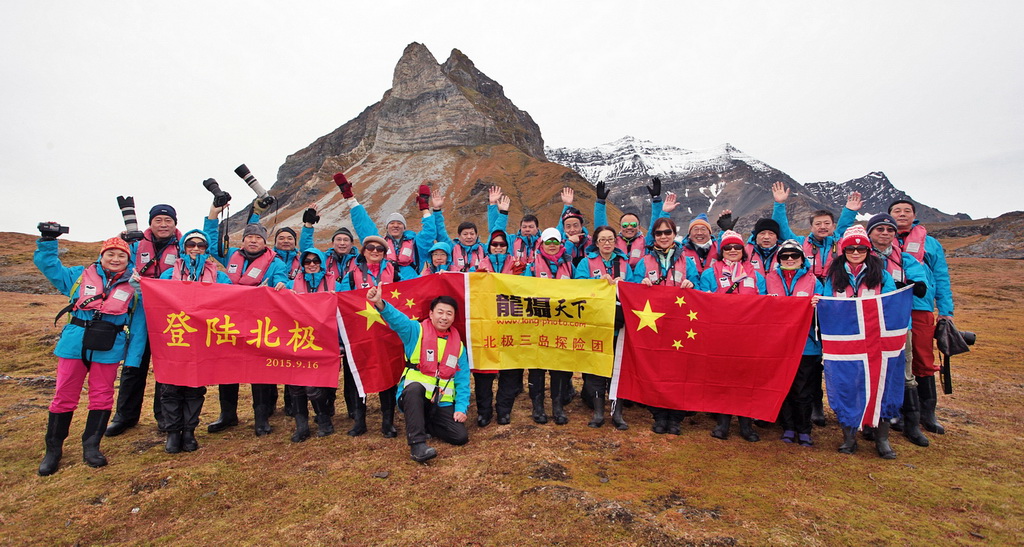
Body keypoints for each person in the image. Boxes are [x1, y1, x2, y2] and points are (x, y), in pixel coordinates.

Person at [34, 231, 147, 475]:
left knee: (102, 396)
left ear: (129, 260)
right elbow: (49, 266)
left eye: (121, 255)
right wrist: (47, 241)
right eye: (111, 254)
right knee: (64, 395)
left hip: (110, 346)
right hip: (75, 344)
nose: (115, 259)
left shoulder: (134, 287)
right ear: (102, 255)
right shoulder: (78, 275)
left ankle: (91, 446)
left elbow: (139, 327)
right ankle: (53, 450)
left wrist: (133, 359)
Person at [770, 182, 861, 427]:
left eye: (826, 224)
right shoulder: (800, 246)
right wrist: (779, 205)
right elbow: (783, 232)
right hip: (802, 299)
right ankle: (811, 405)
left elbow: (844, 231)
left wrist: (849, 213)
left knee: (822, 356)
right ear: (811, 227)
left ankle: (818, 402)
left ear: (833, 227)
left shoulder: (838, 244)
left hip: (830, 301)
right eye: (817, 224)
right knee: (805, 357)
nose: (822, 227)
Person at [204, 205, 290, 436]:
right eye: (249, 237)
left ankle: (261, 418)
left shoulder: (276, 263)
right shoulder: (230, 254)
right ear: (242, 241)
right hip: (229, 322)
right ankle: (228, 415)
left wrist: (282, 285)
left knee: (259, 369)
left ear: (265, 242)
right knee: (227, 367)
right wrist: (212, 215)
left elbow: (284, 282)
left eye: (257, 238)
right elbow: (210, 243)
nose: (253, 241)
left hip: (260, 323)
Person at [818, 225, 898, 459]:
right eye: (850, 248)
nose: (855, 252)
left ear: (867, 249)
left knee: (879, 383)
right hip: (845, 340)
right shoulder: (834, 276)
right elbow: (828, 302)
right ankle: (849, 437)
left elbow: (892, 301)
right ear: (843, 250)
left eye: (860, 248)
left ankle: (882, 438)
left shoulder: (880, 274)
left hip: (874, 340)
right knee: (847, 385)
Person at [366, 287, 469, 463]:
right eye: (440, 312)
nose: (444, 317)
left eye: (449, 314)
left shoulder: (458, 345)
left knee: (460, 437)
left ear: (453, 317)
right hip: (413, 397)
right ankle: (417, 445)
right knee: (414, 389)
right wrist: (379, 303)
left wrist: (461, 407)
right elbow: (397, 320)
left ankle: (425, 423)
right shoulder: (415, 331)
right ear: (431, 313)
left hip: (440, 401)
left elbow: (463, 380)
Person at [106, 204, 180, 437]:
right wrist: (120, 239)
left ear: (175, 223)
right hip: (139, 312)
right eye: (158, 220)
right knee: (133, 363)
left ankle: (164, 416)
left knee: (165, 365)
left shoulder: (183, 246)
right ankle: (125, 416)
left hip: (169, 314)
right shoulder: (135, 244)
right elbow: (116, 263)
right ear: (150, 223)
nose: (163, 224)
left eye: (168, 221)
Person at [158, 230, 232, 453]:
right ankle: (173, 432)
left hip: (202, 338)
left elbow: (234, 298)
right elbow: (153, 302)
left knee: (194, 386)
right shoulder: (167, 275)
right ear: (183, 247)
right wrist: (137, 287)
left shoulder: (219, 276)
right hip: (174, 337)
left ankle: (189, 431)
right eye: (191, 244)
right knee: (170, 387)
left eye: (201, 245)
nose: (196, 248)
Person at [888, 199, 955, 436]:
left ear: (914, 215)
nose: (902, 214)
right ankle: (898, 410)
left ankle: (928, 413)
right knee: (895, 358)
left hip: (921, 306)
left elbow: (941, 277)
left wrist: (946, 312)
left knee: (923, 358)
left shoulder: (931, 244)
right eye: (897, 211)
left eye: (907, 211)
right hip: (892, 306)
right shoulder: (882, 240)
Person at [866, 213, 931, 448]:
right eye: (879, 229)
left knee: (905, 373)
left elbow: (920, 289)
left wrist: (893, 287)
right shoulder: (859, 256)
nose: (884, 233)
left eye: (889, 230)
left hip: (899, 325)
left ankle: (911, 424)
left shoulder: (906, 260)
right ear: (870, 232)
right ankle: (870, 423)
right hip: (868, 326)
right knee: (870, 372)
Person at [631, 217, 698, 435]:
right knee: (656, 369)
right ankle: (658, 415)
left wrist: (692, 284)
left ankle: (676, 418)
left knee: (680, 371)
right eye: (659, 233)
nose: (663, 237)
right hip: (654, 324)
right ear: (654, 237)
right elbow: (632, 287)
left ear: (674, 234)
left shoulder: (687, 261)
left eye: (667, 232)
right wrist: (641, 285)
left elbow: (698, 286)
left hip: (680, 323)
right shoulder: (644, 261)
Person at [699, 230, 768, 442]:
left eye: (736, 247)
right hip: (721, 334)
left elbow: (764, 303)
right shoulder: (709, 274)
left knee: (747, 378)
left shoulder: (756, 275)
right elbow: (704, 302)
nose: (732, 251)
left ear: (743, 251)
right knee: (722, 378)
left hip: (748, 334)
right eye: (727, 247)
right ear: (721, 251)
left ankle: (746, 424)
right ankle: (723, 423)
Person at [340, 234, 400, 438]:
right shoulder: (351, 274)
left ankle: (387, 421)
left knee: (389, 373)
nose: (375, 251)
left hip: (387, 331)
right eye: (371, 248)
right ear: (363, 251)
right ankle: (359, 421)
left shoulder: (395, 271)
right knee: (358, 374)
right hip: (360, 333)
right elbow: (341, 298)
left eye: (380, 249)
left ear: (384, 253)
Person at [764, 240, 823, 447]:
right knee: (784, 387)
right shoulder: (768, 279)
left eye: (794, 255)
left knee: (802, 389)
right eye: (784, 256)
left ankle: (804, 429)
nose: (789, 259)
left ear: (801, 258)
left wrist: (818, 306)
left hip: (806, 345)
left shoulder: (814, 281)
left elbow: (826, 310)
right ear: (778, 259)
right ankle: (787, 427)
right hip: (778, 344)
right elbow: (759, 307)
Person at [277, 248, 339, 442]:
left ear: (321, 262)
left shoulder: (335, 284)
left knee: (313, 385)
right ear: (302, 264)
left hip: (324, 341)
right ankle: (301, 425)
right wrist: (278, 289)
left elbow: (346, 307)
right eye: (307, 261)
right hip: (297, 339)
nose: (312, 264)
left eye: (315, 261)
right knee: (295, 384)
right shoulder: (291, 283)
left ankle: (323, 420)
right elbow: (275, 301)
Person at [573, 225, 629, 430]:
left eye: (610, 239)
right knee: (597, 368)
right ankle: (598, 413)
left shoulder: (623, 263)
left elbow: (635, 289)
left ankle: (617, 413)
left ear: (616, 241)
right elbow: (578, 287)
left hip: (619, 326)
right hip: (595, 324)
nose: (607, 243)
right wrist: (596, 282)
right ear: (596, 243)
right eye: (602, 240)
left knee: (617, 369)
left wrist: (626, 285)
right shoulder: (585, 263)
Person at [338, 173, 437, 280]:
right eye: (392, 223)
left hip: (412, 286)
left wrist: (425, 208)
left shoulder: (416, 244)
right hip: (386, 285)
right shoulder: (379, 245)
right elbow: (363, 226)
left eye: (399, 223)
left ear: (404, 228)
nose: (395, 226)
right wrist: (350, 198)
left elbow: (429, 233)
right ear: (387, 227)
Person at [526, 228, 576, 425]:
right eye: (549, 241)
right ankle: (537, 407)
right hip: (537, 322)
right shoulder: (531, 265)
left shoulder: (570, 264)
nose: (552, 245)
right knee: (537, 367)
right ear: (542, 243)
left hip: (562, 323)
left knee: (559, 366)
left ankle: (557, 407)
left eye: (556, 241)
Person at [592, 178, 668, 268]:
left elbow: (656, 225)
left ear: (639, 227)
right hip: (618, 277)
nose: (629, 227)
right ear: (620, 227)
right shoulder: (613, 242)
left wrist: (656, 200)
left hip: (639, 279)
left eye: (633, 225)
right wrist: (600, 202)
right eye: (625, 225)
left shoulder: (646, 242)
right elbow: (601, 229)